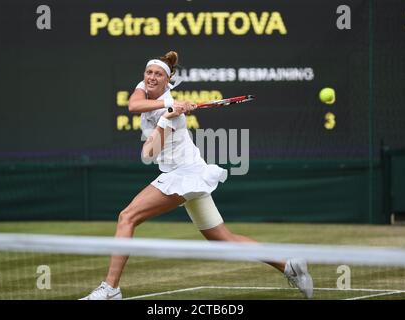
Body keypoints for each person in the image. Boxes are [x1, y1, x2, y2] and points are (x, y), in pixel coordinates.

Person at [80, 51, 313, 300]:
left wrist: (168, 116)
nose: (151, 77)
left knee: (127, 217)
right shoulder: (146, 91)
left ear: (166, 81)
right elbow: (133, 105)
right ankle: (288, 265)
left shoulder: (169, 115)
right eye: (149, 72)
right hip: (190, 173)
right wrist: (169, 105)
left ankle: (111, 289)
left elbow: (148, 152)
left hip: (183, 175)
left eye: (158, 74)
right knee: (222, 238)